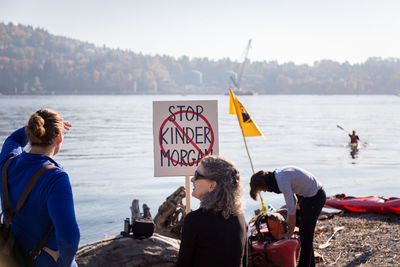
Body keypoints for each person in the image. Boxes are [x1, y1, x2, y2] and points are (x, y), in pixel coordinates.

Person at [0, 109, 80, 266]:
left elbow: (14, 139)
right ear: (59, 137)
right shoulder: (56, 178)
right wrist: (63, 262)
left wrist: (37, 127)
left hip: (11, 256)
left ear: (30, 134)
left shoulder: (6, 163)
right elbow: (69, 238)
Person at [176, 155, 247, 267]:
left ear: (212, 185)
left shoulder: (194, 221)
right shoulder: (240, 218)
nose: (192, 179)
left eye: (197, 175)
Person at [249, 166, 325, 267]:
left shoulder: (282, 181)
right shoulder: (277, 175)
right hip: (308, 196)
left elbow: (291, 210)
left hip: (315, 196)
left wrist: (289, 234)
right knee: (304, 233)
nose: (265, 191)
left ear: (264, 184)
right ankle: (311, 264)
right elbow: (293, 202)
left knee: (306, 235)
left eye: (263, 189)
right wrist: (289, 229)